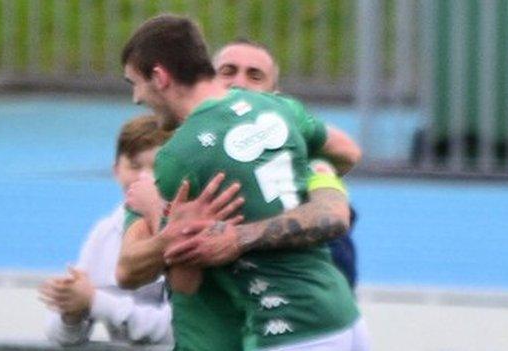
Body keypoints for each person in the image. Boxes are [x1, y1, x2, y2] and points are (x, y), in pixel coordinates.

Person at [118, 14, 370, 351]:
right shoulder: (279, 111)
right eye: (230, 71)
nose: (136, 98)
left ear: (160, 77)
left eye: (135, 83)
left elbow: (145, 273)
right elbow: (348, 154)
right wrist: (317, 179)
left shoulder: (178, 159)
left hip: (284, 332)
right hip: (342, 318)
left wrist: (156, 214)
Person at [213, 38, 360, 289]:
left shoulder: (287, 131)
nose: (239, 83)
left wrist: (315, 179)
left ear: (275, 95)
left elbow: (349, 152)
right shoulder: (192, 135)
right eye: (228, 71)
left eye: (255, 76)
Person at [38, 115, 174, 346]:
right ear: (116, 170)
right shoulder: (105, 234)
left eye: (157, 167)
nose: (145, 178)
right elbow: (62, 338)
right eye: (135, 166)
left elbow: (175, 331)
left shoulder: (188, 232)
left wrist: (95, 301)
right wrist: (70, 311)